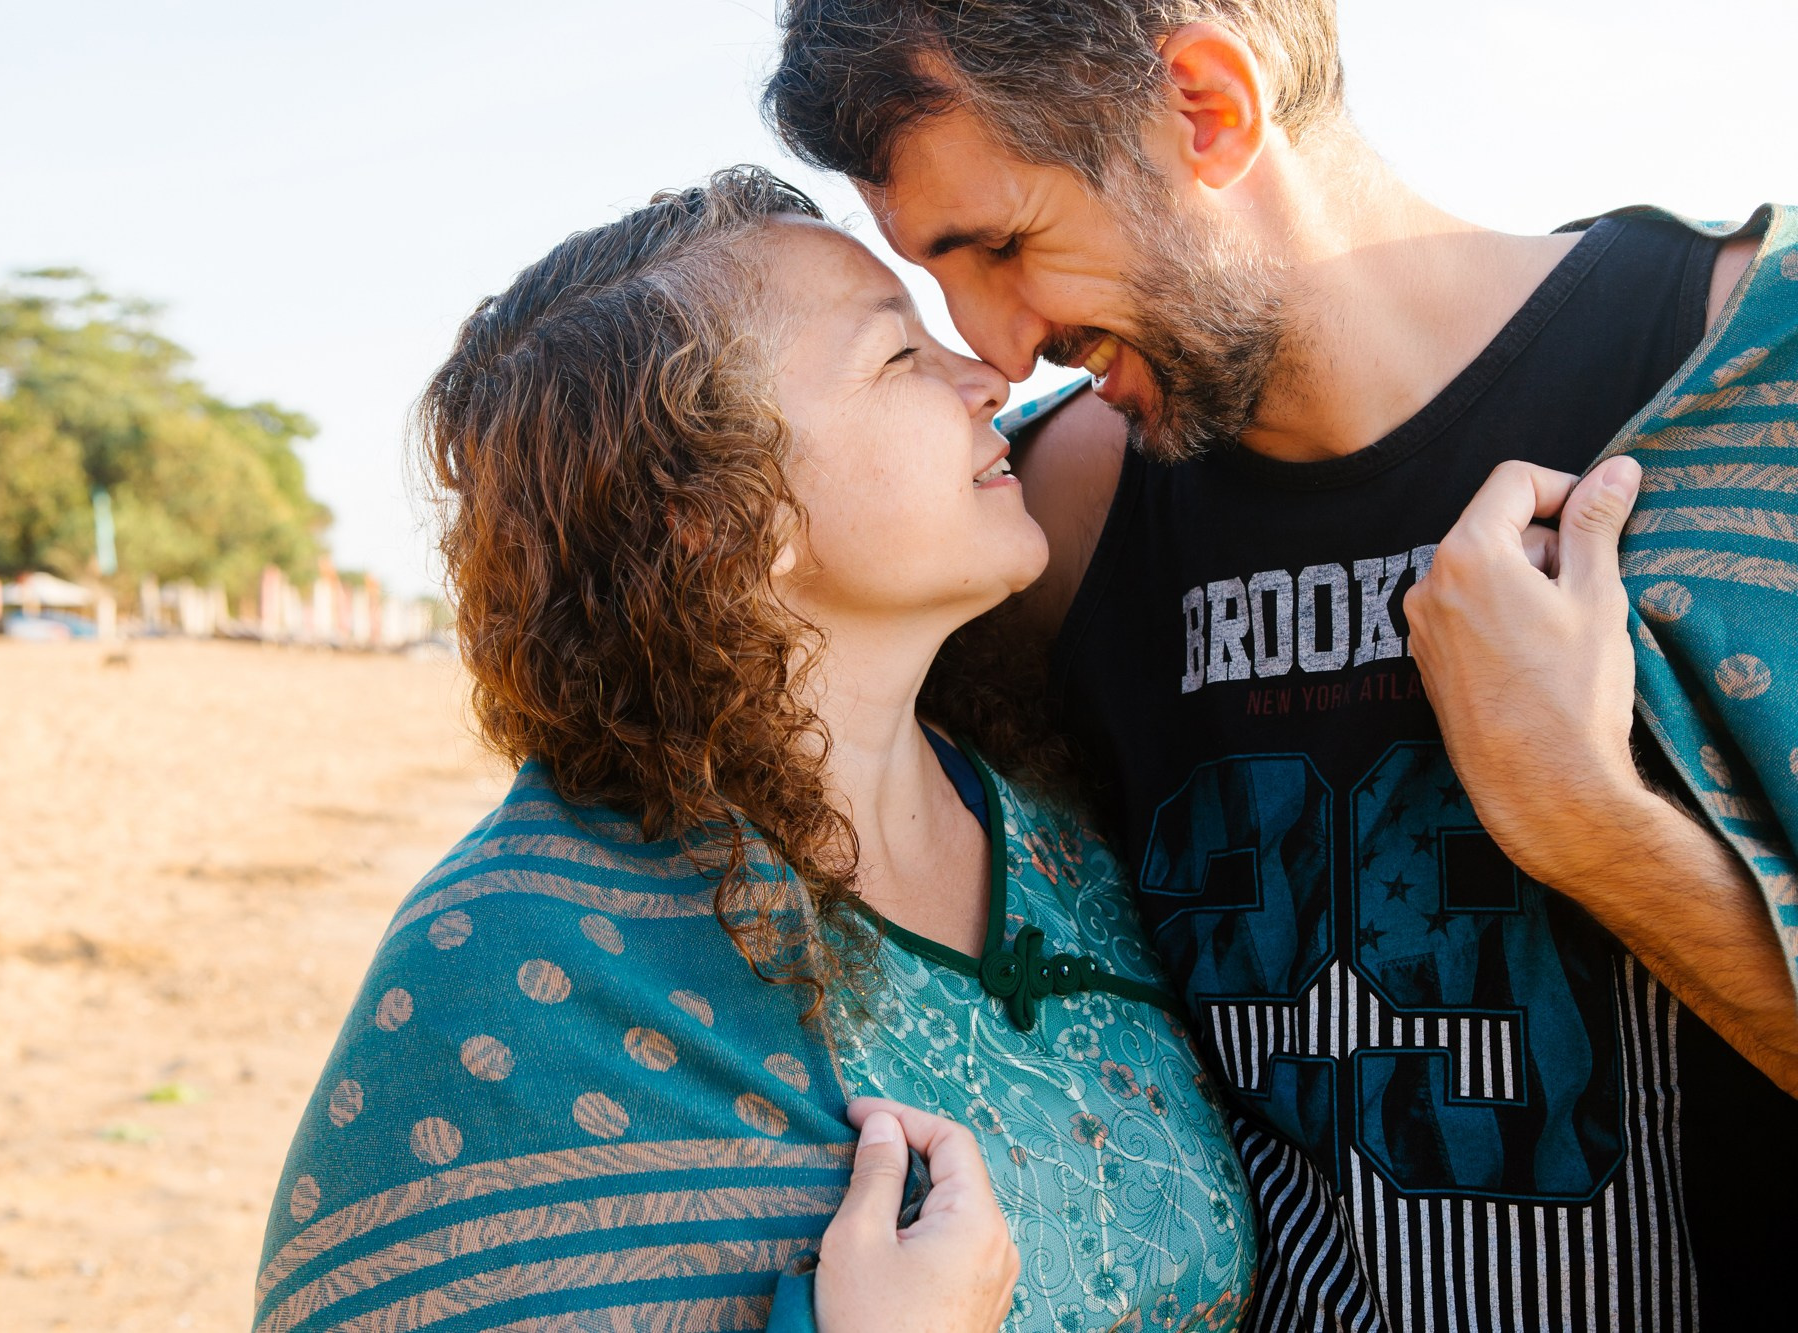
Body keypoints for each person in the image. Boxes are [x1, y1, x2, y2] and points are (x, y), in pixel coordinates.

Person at [765, 3, 1798, 1330]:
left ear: (1206, 106)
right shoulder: (1056, 519)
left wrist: (1594, 829)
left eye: (1008, 245)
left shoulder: (1738, 384)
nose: (1000, 347)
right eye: (935, 279)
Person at [253, 168, 1257, 1333]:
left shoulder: (1066, 843)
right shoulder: (505, 970)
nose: (989, 375)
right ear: (727, 517)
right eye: (895, 358)